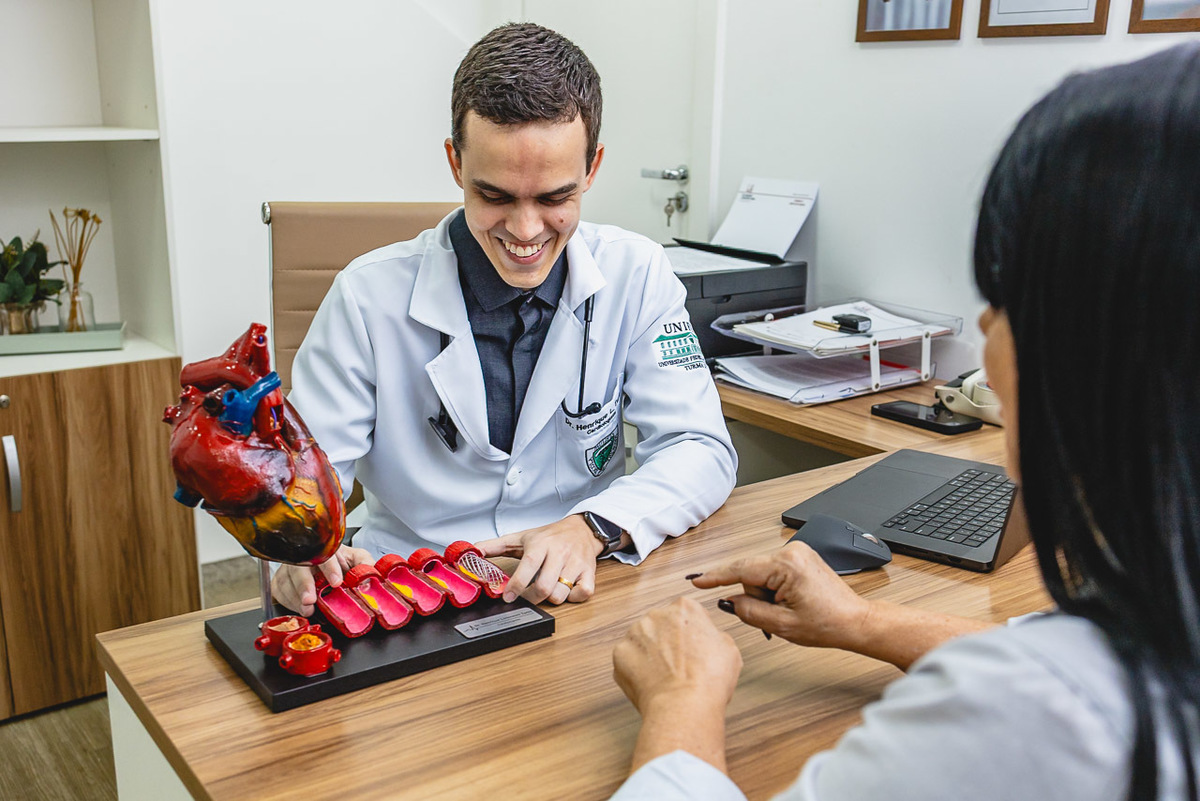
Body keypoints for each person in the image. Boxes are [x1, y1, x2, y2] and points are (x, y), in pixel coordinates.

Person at [610, 43, 1200, 801]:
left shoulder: (1043, 716)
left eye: (1008, 296)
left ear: (1099, 349)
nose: (986, 326)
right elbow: (1068, 657)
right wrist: (862, 624)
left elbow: (1047, 689)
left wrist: (680, 702)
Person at [272, 22, 737, 617]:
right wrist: (300, 551)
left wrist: (593, 525)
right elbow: (306, 488)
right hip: (407, 594)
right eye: (495, 196)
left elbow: (700, 446)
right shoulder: (366, 298)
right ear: (455, 163)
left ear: (591, 169)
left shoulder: (637, 274)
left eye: (553, 198)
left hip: (578, 585)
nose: (524, 231)